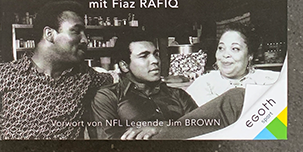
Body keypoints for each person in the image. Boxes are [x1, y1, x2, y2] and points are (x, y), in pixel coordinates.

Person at [0, 1, 112, 140]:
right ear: (49, 34)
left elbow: (122, 85)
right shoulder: (0, 75)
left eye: (85, 33)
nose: (85, 40)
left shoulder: (85, 76)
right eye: (76, 31)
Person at [90, 32, 246, 140]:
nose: (155, 61)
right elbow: (109, 142)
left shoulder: (177, 95)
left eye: (156, 54)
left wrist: (161, 127)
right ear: (124, 66)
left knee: (237, 97)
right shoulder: (109, 96)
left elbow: (200, 129)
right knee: (235, 98)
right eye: (144, 56)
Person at [186, 26, 280, 107]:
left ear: (250, 55)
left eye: (235, 49)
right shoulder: (203, 85)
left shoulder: (271, 80)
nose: (225, 54)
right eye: (221, 48)